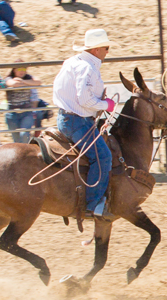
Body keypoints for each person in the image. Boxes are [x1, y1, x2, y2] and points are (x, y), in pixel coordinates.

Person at [52, 28, 120, 219]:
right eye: (106, 48)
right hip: (77, 121)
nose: (108, 52)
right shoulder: (87, 68)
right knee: (103, 157)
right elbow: (84, 100)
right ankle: (92, 205)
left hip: (70, 118)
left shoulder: (73, 62)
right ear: (96, 49)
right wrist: (106, 104)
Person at [4, 59, 41, 143]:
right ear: (14, 70)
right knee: (16, 140)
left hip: (26, 112)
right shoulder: (8, 78)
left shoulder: (28, 77)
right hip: (12, 113)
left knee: (24, 135)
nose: (22, 71)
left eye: (24, 69)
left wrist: (23, 81)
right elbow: (12, 84)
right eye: (19, 69)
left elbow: (39, 82)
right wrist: (28, 83)